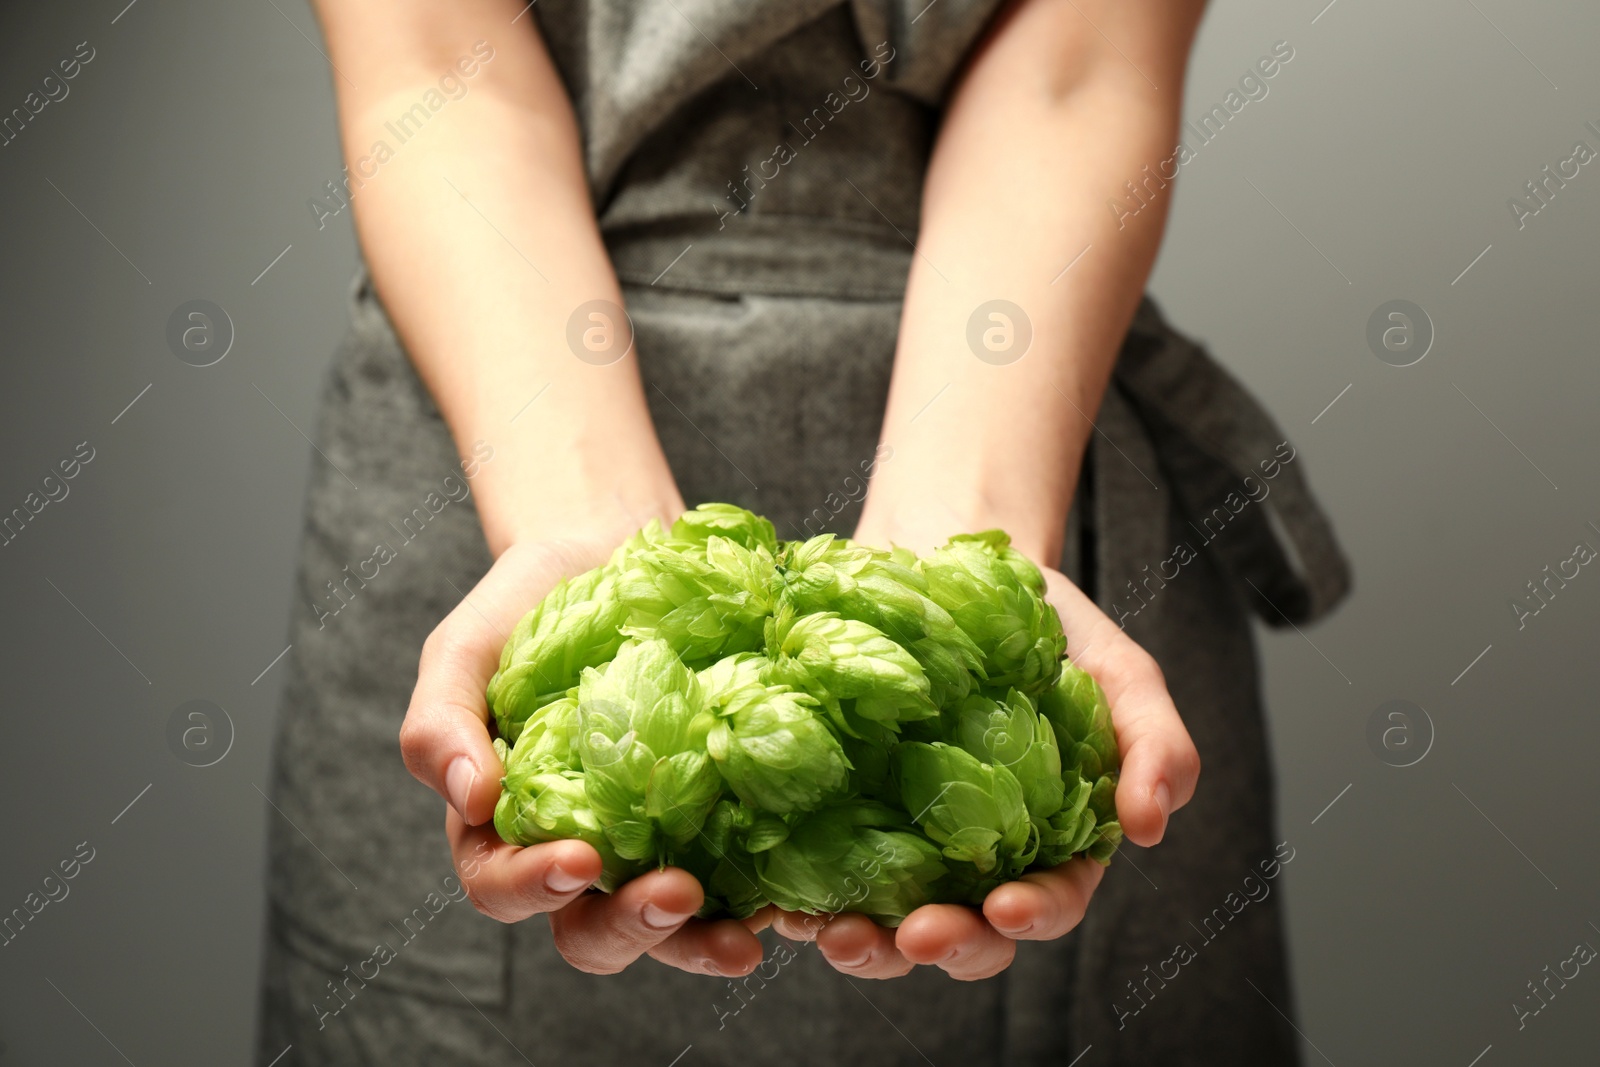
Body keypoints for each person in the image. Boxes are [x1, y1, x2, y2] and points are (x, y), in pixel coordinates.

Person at [256, 1, 1349, 1064]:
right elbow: (440, 68)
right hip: (502, 412)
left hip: (1017, 418)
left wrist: (970, 547)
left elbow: (1075, 69)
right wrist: (575, 530)